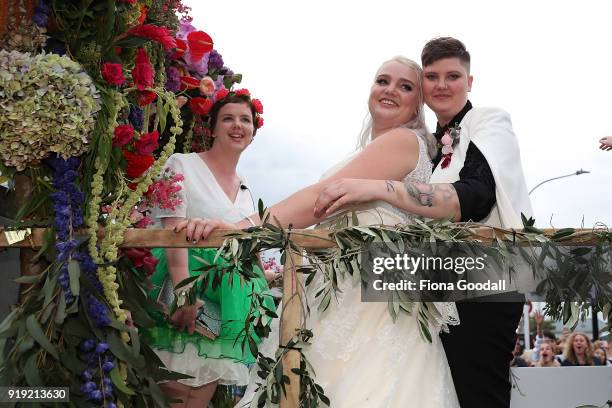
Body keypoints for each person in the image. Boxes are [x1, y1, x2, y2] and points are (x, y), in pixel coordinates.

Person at [177, 57, 461, 407]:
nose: (390, 90)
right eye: (382, 80)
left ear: (419, 104)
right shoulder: (373, 150)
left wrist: (243, 230)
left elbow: (317, 201)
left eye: (405, 87)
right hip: (347, 290)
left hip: (369, 301)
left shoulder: (403, 140)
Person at [312, 37, 533, 408]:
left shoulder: (489, 120)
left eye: (453, 76)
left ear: (470, 81)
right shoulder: (426, 146)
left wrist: (380, 188)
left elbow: (475, 198)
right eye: (432, 76)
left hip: (485, 281)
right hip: (434, 287)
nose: (442, 85)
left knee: (479, 392)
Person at [141, 91, 275, 407]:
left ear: (253, 132)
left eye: (245, 120)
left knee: (199, 396)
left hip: (223, 304)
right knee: (176, 389)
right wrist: (185, 295)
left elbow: (247, 244)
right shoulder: (180, 164)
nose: (237, 125)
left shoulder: (246, 189)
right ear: (211, 128)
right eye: (228, 118)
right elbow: (171, 231)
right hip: (181, 286)